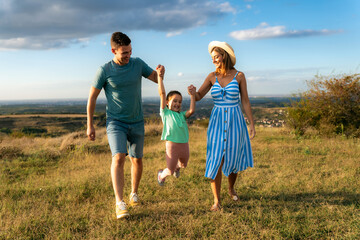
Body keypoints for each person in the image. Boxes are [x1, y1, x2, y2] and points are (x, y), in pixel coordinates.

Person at [86, 32, 164, 219]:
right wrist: (90, 125)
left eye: (129, 51)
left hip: (137, 120)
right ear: (113, 51)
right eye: (124, 53)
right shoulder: (104, 70)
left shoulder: (137, 63)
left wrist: (161, 73)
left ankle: (134, 194)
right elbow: (92, 98)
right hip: (115, 122)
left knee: (136, 159)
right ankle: (119, 203)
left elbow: (155, 78)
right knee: (119, 157)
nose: (128, 55)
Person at [189, 41, 255, 211]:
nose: (214, 60)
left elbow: (245, 101)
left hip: (235, 120)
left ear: (224, 55)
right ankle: (216, 201)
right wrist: (192, 93)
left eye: (216, 57)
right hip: (217, 121)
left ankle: (231, 187)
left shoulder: (239, 76)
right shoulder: (211, 76)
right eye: (212, 58)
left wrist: (252, 124)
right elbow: (198, 96)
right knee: (216, 159)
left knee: (233, 157)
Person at [156, 66, 196, 186]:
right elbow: (162, 93)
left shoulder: (182, 115)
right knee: (170, 170)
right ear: (167, 102)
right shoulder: (165, 112)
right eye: (174, 101)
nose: (177, 104)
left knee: (184, 165)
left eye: (180, 102)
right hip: (171, 146)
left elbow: (192, 111)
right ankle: (161, 175)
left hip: (184, 144)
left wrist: (193, 95)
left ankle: (177, 168)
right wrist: (160, 78)